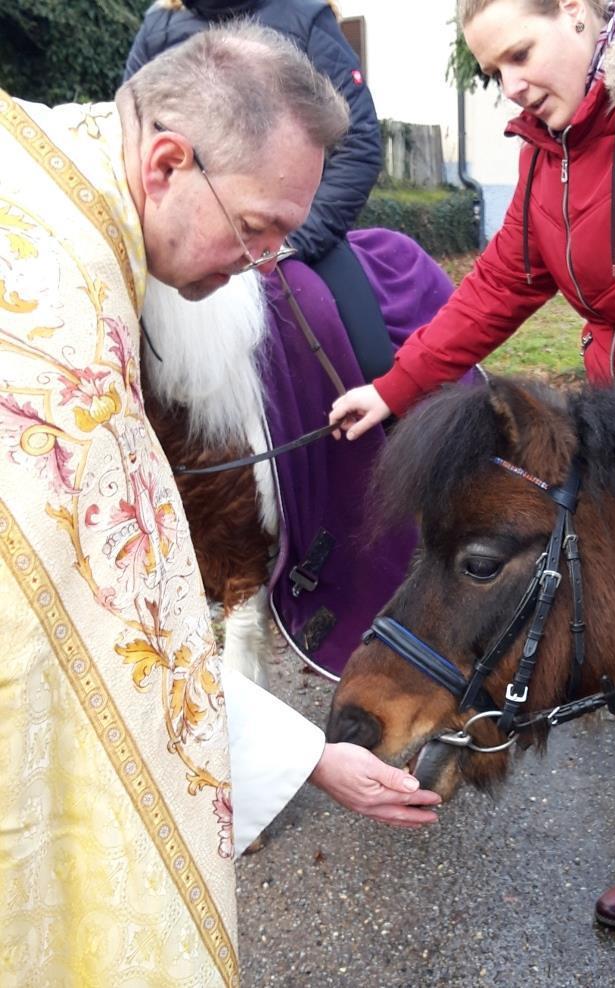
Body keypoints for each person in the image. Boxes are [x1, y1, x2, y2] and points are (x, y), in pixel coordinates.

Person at [328, 0, 615, 976]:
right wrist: (396, 385)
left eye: (520, 53)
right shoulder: (552, 145)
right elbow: (500, 282)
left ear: (580, 13)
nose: (510, 85)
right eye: (492, 70)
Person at [0, 24, 438, 986]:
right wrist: (309, 757)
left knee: (345, 316)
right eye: (253, 229)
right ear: (164, 163)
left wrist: (290, 231)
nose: (265, 258)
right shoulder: (63, 349)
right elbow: (115, 631)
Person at [125, 0, 395, 381]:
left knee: (371, 359)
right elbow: (132, 137)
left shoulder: (305, 16)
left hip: (298, 236)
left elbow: (359, 144)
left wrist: (280, 240)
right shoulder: (159, 26)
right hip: (183, 238)